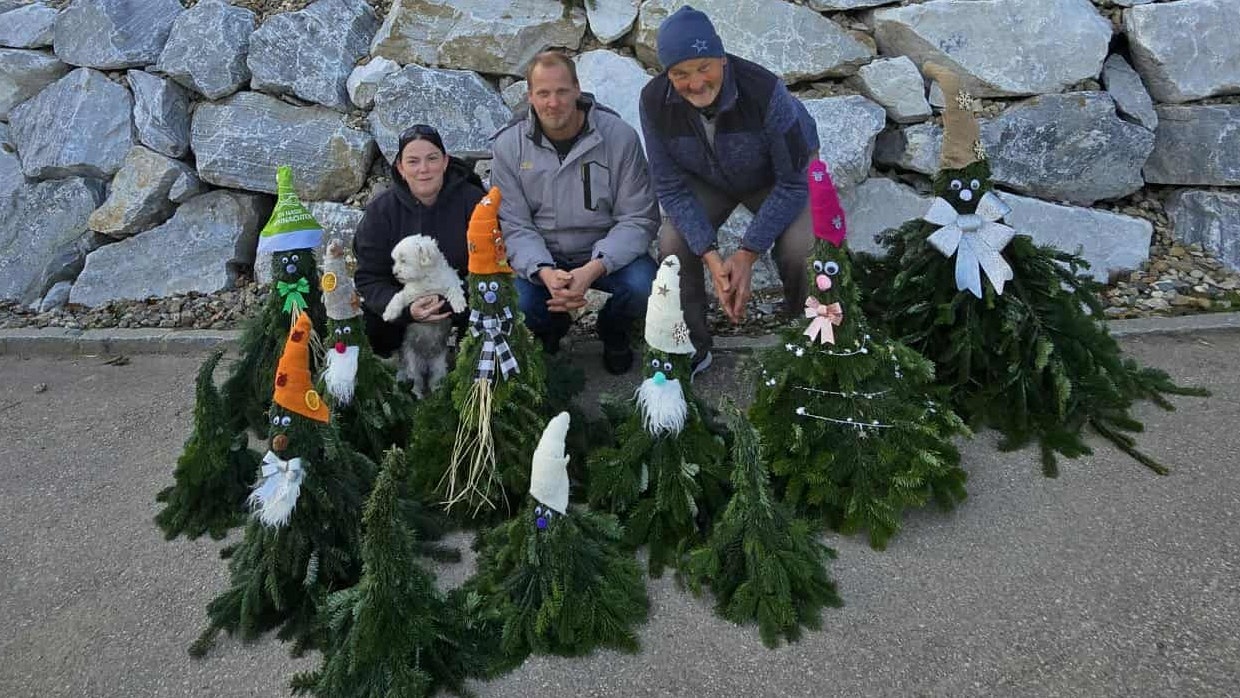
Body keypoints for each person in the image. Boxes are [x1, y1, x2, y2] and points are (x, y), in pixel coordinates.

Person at [640, 5, 820, 378]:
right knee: (674, 243)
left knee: (804, 248)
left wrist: (746, 254)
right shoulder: (653, 101)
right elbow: (670, 188)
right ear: (667, 73)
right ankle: (688, 345)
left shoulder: (765, 90)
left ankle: (811, 344)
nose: (696, 82)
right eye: (680, 73)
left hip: (775, 177)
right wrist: (711, 255)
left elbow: (792, 182)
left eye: (704, 66)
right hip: (707, 178)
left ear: (722, 59)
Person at [490, 50, 661, 375]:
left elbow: (638, 218)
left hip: (605, 253)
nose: (553, 102)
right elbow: (514, 225)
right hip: (544, 256)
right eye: (543, 93)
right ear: (530, 96)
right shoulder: (509, 147)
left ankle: (614, 332)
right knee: (518, 301)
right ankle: (553, 328)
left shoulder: (619, 138)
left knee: (646, 285)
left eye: (561, 91)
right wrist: (543, 271)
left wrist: (593, 269)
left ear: (578, 89)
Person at [353, 124, 486, 356]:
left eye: (432, 159)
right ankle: (393, 376)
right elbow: (369, 277)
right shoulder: (381, 211)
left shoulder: (473, 202)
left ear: (445, 161)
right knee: (366, 324)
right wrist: (407, 308)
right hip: (403, 302)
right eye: (413, 161)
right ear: (401, 168)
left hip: (461, 299)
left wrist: (448, 299)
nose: (424, 169)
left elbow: (491, 265)